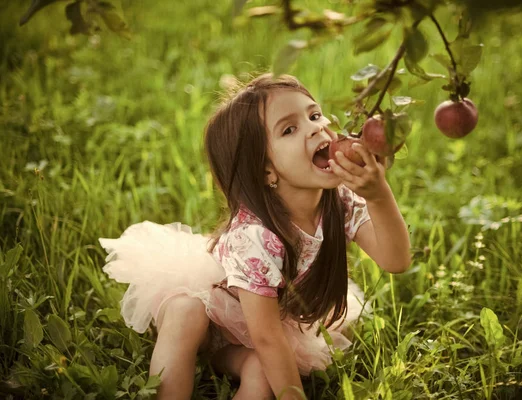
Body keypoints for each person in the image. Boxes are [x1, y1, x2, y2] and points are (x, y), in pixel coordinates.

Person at [98, 73, 412, 400]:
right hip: (218, 309)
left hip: (261, 326)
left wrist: (378, 196)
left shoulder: (341, 202)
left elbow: (396, 260)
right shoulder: (255, 237)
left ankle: (226, 366)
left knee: (264, 372)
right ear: (266, 171)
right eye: (289, 129)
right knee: (184, 312)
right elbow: (266, 337)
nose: (316, 127)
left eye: (314, 115)